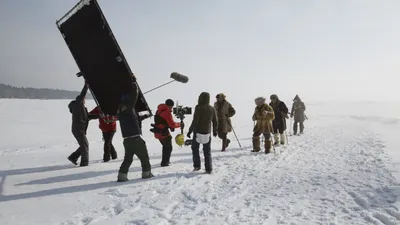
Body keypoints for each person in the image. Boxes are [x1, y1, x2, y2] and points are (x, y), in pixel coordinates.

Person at [116, 80, 154, 182]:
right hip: (135, 139)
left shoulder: (120, 113)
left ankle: (122, 176)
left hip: (127, 140)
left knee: (128, 159)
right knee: (144, 157)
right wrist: (134, 83)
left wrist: (146, 115)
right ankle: (146, 173)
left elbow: (135, 120)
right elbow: (134, 95)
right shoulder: (128, 108)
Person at [187, 92, 218, 173]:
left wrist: (190, 130)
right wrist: (215, 131)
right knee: (207, 151)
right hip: (207, 133)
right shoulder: (212, 108)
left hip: (197, 132)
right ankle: (209, 168)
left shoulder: (198, 107)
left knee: (195, 149)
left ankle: (197, 166)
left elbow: (195, 121)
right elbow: (215, 121)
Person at [67, 81, 94, 166]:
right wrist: (86, 85)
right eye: (84, 99)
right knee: (85, 146)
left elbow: (88, 117)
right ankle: (84, 164)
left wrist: (100, 115)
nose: (85, 100)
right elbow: (82, 94)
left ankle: (73, 157)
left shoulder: (82, 109)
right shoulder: (77, 105)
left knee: (84, 145)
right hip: (78, 130)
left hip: (80, 129)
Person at [152, 99, 182, 167]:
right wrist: (180, 124)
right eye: (171, 107)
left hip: (158, 132)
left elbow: (162, 121)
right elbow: (172, 124)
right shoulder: (166, 112)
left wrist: (169, 126)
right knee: (168, 147)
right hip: (163, 133)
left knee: (165, 146)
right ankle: (165, 163)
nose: (171, 108)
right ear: (170, 106)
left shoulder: (159, 110)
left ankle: (164, 161)